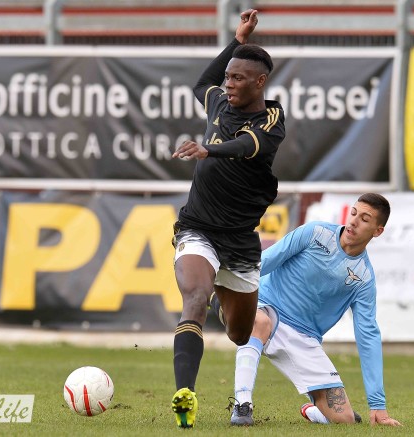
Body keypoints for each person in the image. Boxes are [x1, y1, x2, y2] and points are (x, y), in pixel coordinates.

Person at [169, 8, 286, 429]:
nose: (229, 84)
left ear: (260, 82)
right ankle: (185, 397)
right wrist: (237, 41)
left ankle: (223, 295)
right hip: (198, 227)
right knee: (194, 298)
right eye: (229, 76)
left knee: (239, 333)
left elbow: (247, 146)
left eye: (238, 78)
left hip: (239, 240)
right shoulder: (218, 101)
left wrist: (208, 150)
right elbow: (203, 83)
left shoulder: (271, 119)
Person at [226, 193, 402, 427]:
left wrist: (378, 405)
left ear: (377, 231)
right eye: (353, 213)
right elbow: (264, 262)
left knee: (345, 421)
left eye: (365, 219)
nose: (353, 221)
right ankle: (242, 404)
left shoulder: (364, 278)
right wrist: (228, 287)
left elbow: (368, 335)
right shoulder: (315, 232)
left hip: (304, 337)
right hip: (266, 307)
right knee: (259, 322)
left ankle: (313, 411)